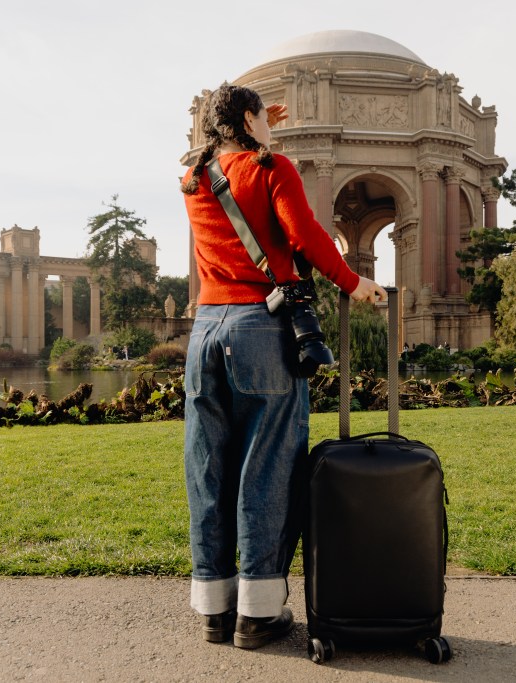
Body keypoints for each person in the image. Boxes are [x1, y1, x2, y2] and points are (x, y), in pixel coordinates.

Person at [180, 83, 387, 649]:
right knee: (266, 470)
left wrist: (245, 125)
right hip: (258, 329)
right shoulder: (274, 167)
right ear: (250, 118)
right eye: (262, 117)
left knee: (209, 472)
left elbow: (222, 156)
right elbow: (304, 236)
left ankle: (214, 610)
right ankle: (259, 614)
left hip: (204, 333)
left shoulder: (195, 177)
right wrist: (355, 281)